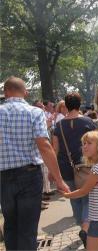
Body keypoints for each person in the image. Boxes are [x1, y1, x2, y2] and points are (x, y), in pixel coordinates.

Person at [0, 76, 69, 250]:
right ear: (25, 92)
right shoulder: (34, 112)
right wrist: (59, 180)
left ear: (5, 92)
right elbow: (44, 146)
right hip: (29, 175)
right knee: (27, 228)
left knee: (10, 224)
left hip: (3, 177)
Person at [62, 131, 98, 251]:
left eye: (89, 143)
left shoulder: (97, 168)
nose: (85, 146)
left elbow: (84, 191)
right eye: (84, 143)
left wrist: (67, 195)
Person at [52, 92, 97, 248]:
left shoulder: (58, 125)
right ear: (79, 104)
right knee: (87, 199)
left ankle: (81, 226)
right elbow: (96, 144)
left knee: (74, 198)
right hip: (85, 165)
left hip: (66, 167)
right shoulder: (88, 121)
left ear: (66, 105)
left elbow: (55, 149)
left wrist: (53, 170)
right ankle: (85, 228)